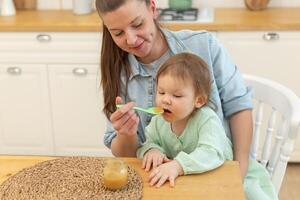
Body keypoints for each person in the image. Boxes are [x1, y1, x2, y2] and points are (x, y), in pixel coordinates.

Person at [95, 0, 253, 179]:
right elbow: (133, 152)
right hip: (160, 179)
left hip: (217, 173)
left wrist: (240, 171)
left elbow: (239, 106)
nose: (131, 39)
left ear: (153, 9)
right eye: (118, 33)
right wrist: (126, 134)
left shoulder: (204, 45)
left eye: (138, 24)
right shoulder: (118, 70)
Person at [137, 52, 278, 200]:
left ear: (199, 101)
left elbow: (211, 152)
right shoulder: (158, 121)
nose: (165, 100)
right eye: (161, 92)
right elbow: (150, 141)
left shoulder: (207, 120)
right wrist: (152, 150)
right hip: (193, 180)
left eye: (177, 96)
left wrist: (178, 165)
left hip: (227, 175)